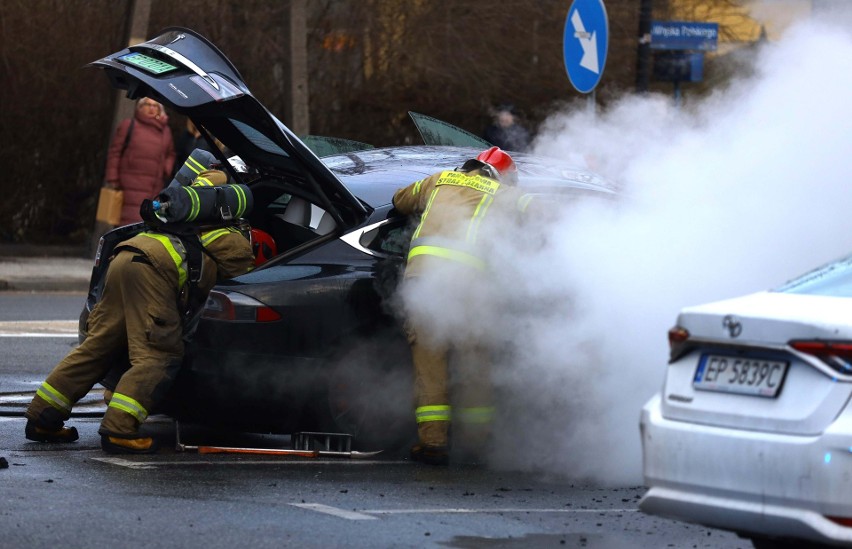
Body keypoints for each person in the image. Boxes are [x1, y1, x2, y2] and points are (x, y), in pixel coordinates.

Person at [24, 167, 255, 454]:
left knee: (98, 347)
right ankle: (119, 429)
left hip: (123, 258)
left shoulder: (173, 216)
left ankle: (42, 417)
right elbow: (246, 282)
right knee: (158, 354)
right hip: (151, 275)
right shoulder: (229, 238)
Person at [392, 146, 520, 466]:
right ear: (502, 177)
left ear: (472, 165)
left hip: (425, 285)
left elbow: (399, 200)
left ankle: (433, 443)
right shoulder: (501, 195)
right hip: (470, 289)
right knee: (476, 365)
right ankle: (477, 446)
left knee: (430, 364)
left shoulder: (439, 180)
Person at [105, 97, 176, 226]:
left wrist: (166, 168)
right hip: (129, 184)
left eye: (155, 106)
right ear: (140, 107)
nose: (151, 108)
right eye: (148, 104)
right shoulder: (129, 125)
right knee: (127, 221)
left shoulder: (166, 131)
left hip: (154, 186)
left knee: (144, 222)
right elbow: (115, 152)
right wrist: (113, 178)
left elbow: (170, 153)